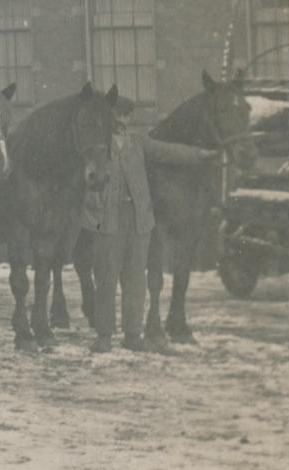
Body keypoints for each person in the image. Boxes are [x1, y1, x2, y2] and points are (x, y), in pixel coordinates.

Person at [80, 95, 219, 354]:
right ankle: (104, 336)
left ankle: (133, 334)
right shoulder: (97, 145)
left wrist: (200, 154)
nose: (122, 119)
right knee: (107, 278)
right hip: (108, 219)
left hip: (138, 220)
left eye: (126, 114)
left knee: (135, 280)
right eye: (117, 114)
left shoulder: (139, 142)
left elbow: (169, 152)